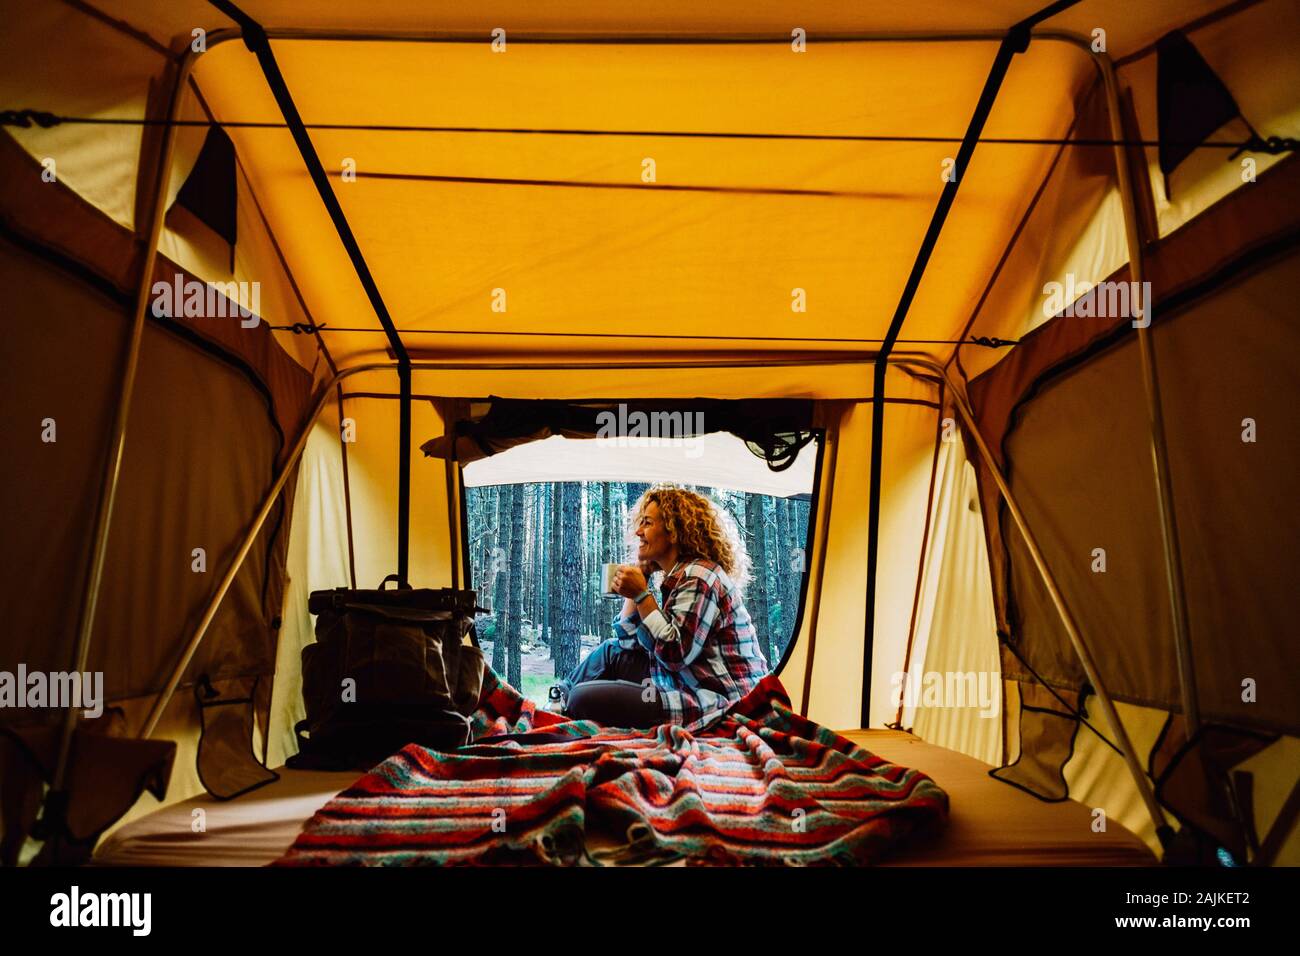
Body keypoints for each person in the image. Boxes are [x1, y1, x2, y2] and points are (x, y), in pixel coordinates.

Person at [547, 484, 770, 731]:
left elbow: (675, 653)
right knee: (611, 651)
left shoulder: (700, 576)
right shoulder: (678, 578)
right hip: (682, 680)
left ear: (674, 531)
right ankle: (555, 704)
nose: (638, 532)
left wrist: (642, 594)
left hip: (717, 698)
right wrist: (641, 575)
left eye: (647, 523)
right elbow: (626, 641)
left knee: (583, 699)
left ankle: (567, 703)